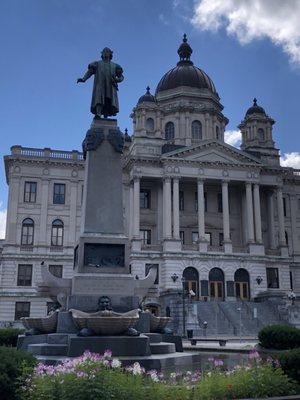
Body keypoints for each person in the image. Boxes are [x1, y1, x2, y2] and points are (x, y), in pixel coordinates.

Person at [77, 47, 124, 118]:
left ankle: (106, 115)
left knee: (108, 99)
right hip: (100, 84)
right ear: (102, 54)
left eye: (107, 52)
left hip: (110, 85)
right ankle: (98, 113)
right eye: (104, 52)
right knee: (99, 98)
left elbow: (121, 76)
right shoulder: (97, 63)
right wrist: (83, 79)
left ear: (110, 54)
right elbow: (90, 72)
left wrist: (118, 80)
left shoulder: (115, 65)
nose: (106, 53)